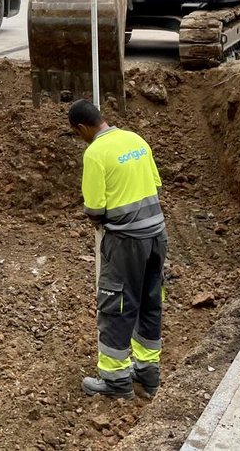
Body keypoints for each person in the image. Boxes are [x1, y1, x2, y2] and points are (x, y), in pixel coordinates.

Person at [69, 99, 168, 400]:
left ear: (82, 128)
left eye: (77, 134)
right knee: (149, 302)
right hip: (157, 235)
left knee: (116, 307)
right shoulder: (135, 139)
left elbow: (95, 209)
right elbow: (155, 185)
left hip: (126, 243)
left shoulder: (95, 153)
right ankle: (148, 373)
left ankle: (115, 380)